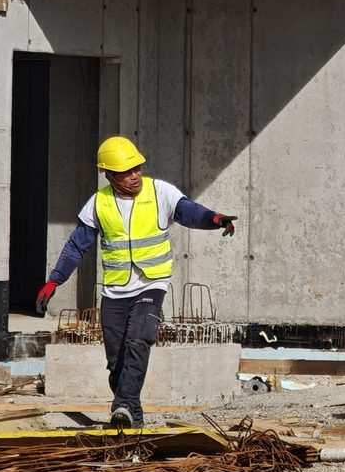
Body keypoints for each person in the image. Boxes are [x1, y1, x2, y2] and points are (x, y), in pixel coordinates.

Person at [35, 136, 238, 428]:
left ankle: (122, 406)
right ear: (109, 175)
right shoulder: (99, 203)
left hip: (151, 283)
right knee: (116, 361)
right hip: (115, 290)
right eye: (126, 172)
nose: (134, 176)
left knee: (139, 339)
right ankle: (133, 418)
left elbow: (189, 212)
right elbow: (76, 245)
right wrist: (54, 282)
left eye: (137, 168)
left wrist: (214, 218)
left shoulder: (160, 192)